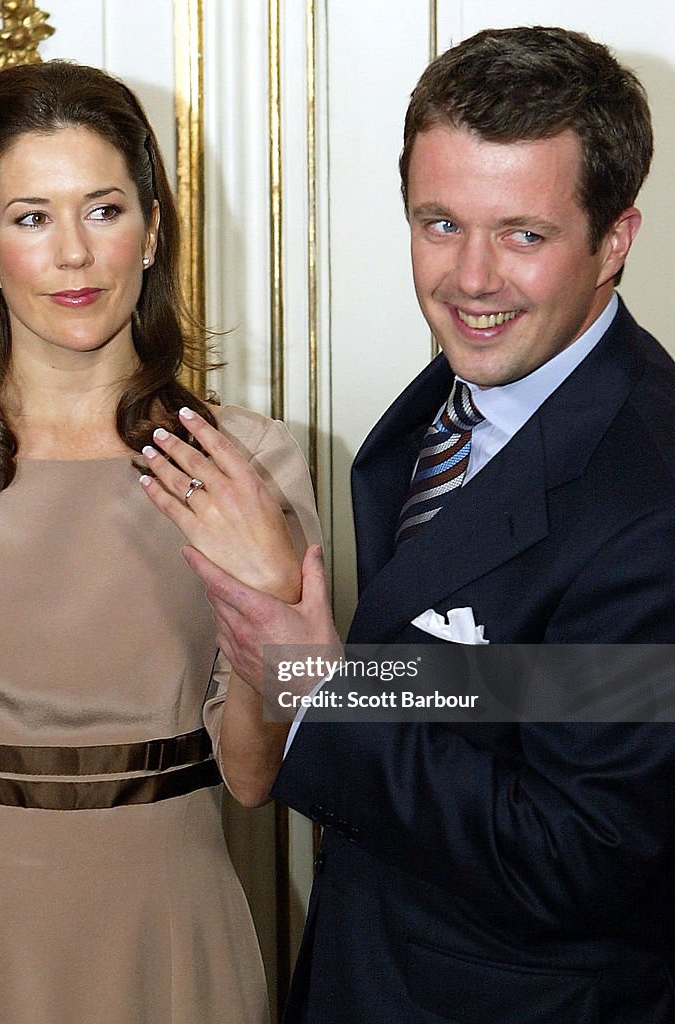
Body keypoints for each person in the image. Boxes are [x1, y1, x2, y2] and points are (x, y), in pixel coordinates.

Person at [143, 26, 675, 1024]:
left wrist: (318, 686)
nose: (470, 280)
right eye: (438, 223)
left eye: (522, 233)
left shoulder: (649, 497)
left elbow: (581, 852)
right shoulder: (439, 408)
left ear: (612, 240)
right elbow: (491, 695)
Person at [0, 60, 320, 1024]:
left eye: (103, 209)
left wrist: (267, 608)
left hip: (171, 926)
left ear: (153, 227)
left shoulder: (246, 461)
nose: (75, 256)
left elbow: (253, 780)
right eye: (32, 217)